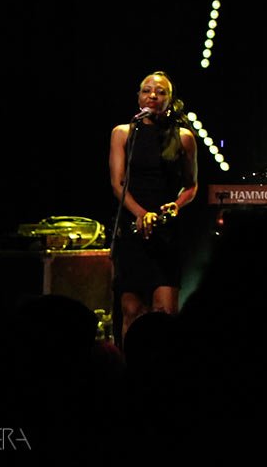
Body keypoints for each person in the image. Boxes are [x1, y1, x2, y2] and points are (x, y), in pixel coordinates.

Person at [109, 71, 197, 338]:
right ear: (138, 97)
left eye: (160, 92)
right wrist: (140, 213)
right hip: (132, 228)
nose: (153, 96)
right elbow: (118, 184)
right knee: (132, 310)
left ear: (170, 100)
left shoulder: (183, 137)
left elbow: (191, 186)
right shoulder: (123, 133)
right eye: (147, 90)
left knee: (165, 311)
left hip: (165, 231)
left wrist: (176, 205)